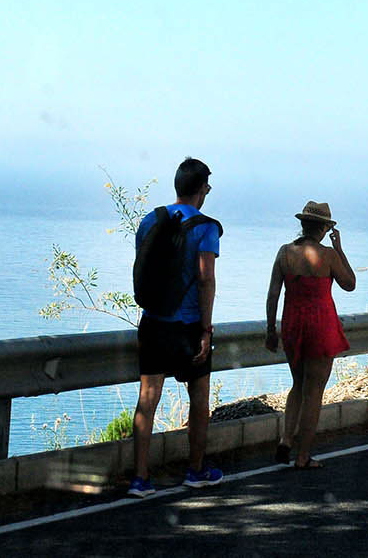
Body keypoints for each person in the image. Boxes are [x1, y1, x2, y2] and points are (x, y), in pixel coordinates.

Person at [128, 158, 224, 497]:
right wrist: (206, 330)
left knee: (147, 400)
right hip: (186, 327)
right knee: (198, 399)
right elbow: (205, 279)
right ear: (202, 189)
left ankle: (140, 478)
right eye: (207, 186)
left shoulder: (151, 219)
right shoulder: (207, 227)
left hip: (153, 322)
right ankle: (196, 470)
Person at [264, 201, 356, 469]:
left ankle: (285, 439)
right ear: (325, 228)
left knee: (298, 384)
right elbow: (349, 284)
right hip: (320, 325)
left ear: (303, 224)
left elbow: (272, 294)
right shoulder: (327, 255)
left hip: (292, 324)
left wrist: (271, 330)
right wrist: (339, 249)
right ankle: (303, 456)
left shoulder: (285, 252)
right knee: (314, 392)